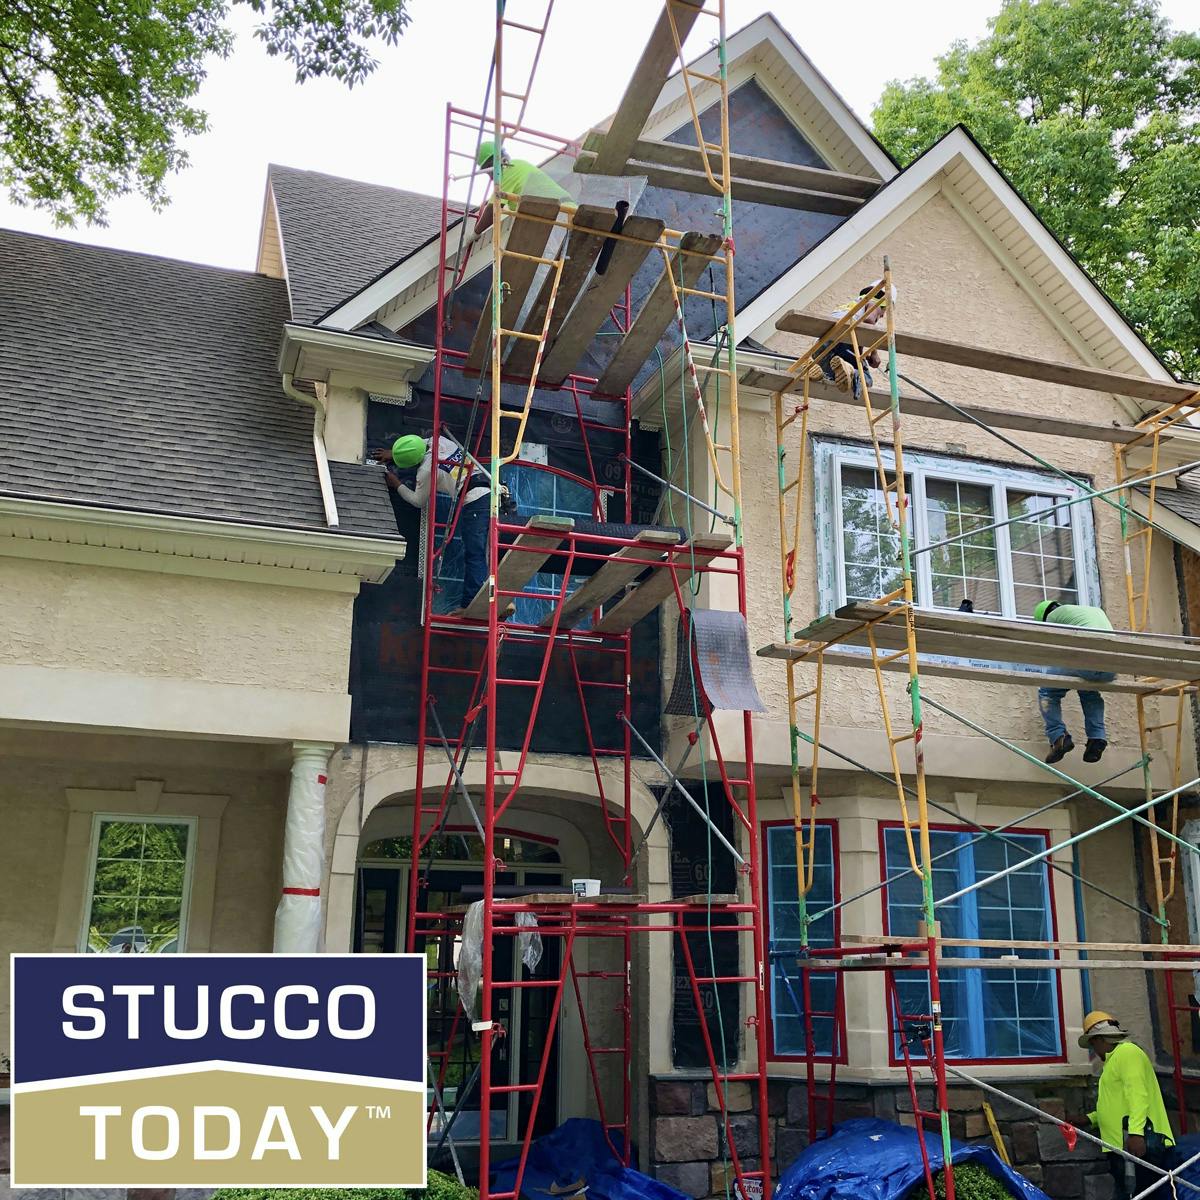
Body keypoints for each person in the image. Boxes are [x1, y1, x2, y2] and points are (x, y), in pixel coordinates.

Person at [372, 434, 491, 612]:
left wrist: (397, 484)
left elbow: (418, 500)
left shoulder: (426, 470)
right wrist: (395, 453)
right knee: (492, 550)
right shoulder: (441, 440)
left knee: (475, 554)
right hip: (492, 493)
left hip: (475, 502)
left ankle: (471, 604)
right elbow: (420, 443)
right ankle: (499, 599)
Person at [1080, 1010, 1175, 1200]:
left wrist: (1136, 1133)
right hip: (1123, 1146)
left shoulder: (1127, 1053)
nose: (1093, 1050)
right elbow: (1117, 1105)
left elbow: (1138, 1095)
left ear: (1099, 1039)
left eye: (1092, 1044)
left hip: (1140, 1144)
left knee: (1141, 1194)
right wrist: (1089, 1119)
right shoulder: (1114, 1060)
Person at [1034, 599, 1116, 764]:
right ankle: (1097, 737)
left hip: (1087, 660)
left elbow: (1055, 652)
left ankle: (1058, 737)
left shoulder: (1052, 617)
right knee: (1088, 691)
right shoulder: (1088, 611)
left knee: (1048, 690)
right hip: (1111, 668)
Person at [474, 140, 575, 234]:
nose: (490, 178)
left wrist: (476, 232)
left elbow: (493, 209)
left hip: (559, 215)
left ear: (491, 164)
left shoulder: (508, 169)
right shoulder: (518, 165)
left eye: (487, 172)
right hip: (566, 212)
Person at [815, 283, 888, 399]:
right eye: (884, 312)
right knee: (866, 380)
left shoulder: (848, 307)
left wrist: (861, 356)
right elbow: (868, 321)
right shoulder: (874, 303)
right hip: (843, 340)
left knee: (837, 375)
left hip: (821, 347)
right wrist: (874, 353)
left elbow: (857, 336)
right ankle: (851, 370)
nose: (882, 316)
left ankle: (819, 373)